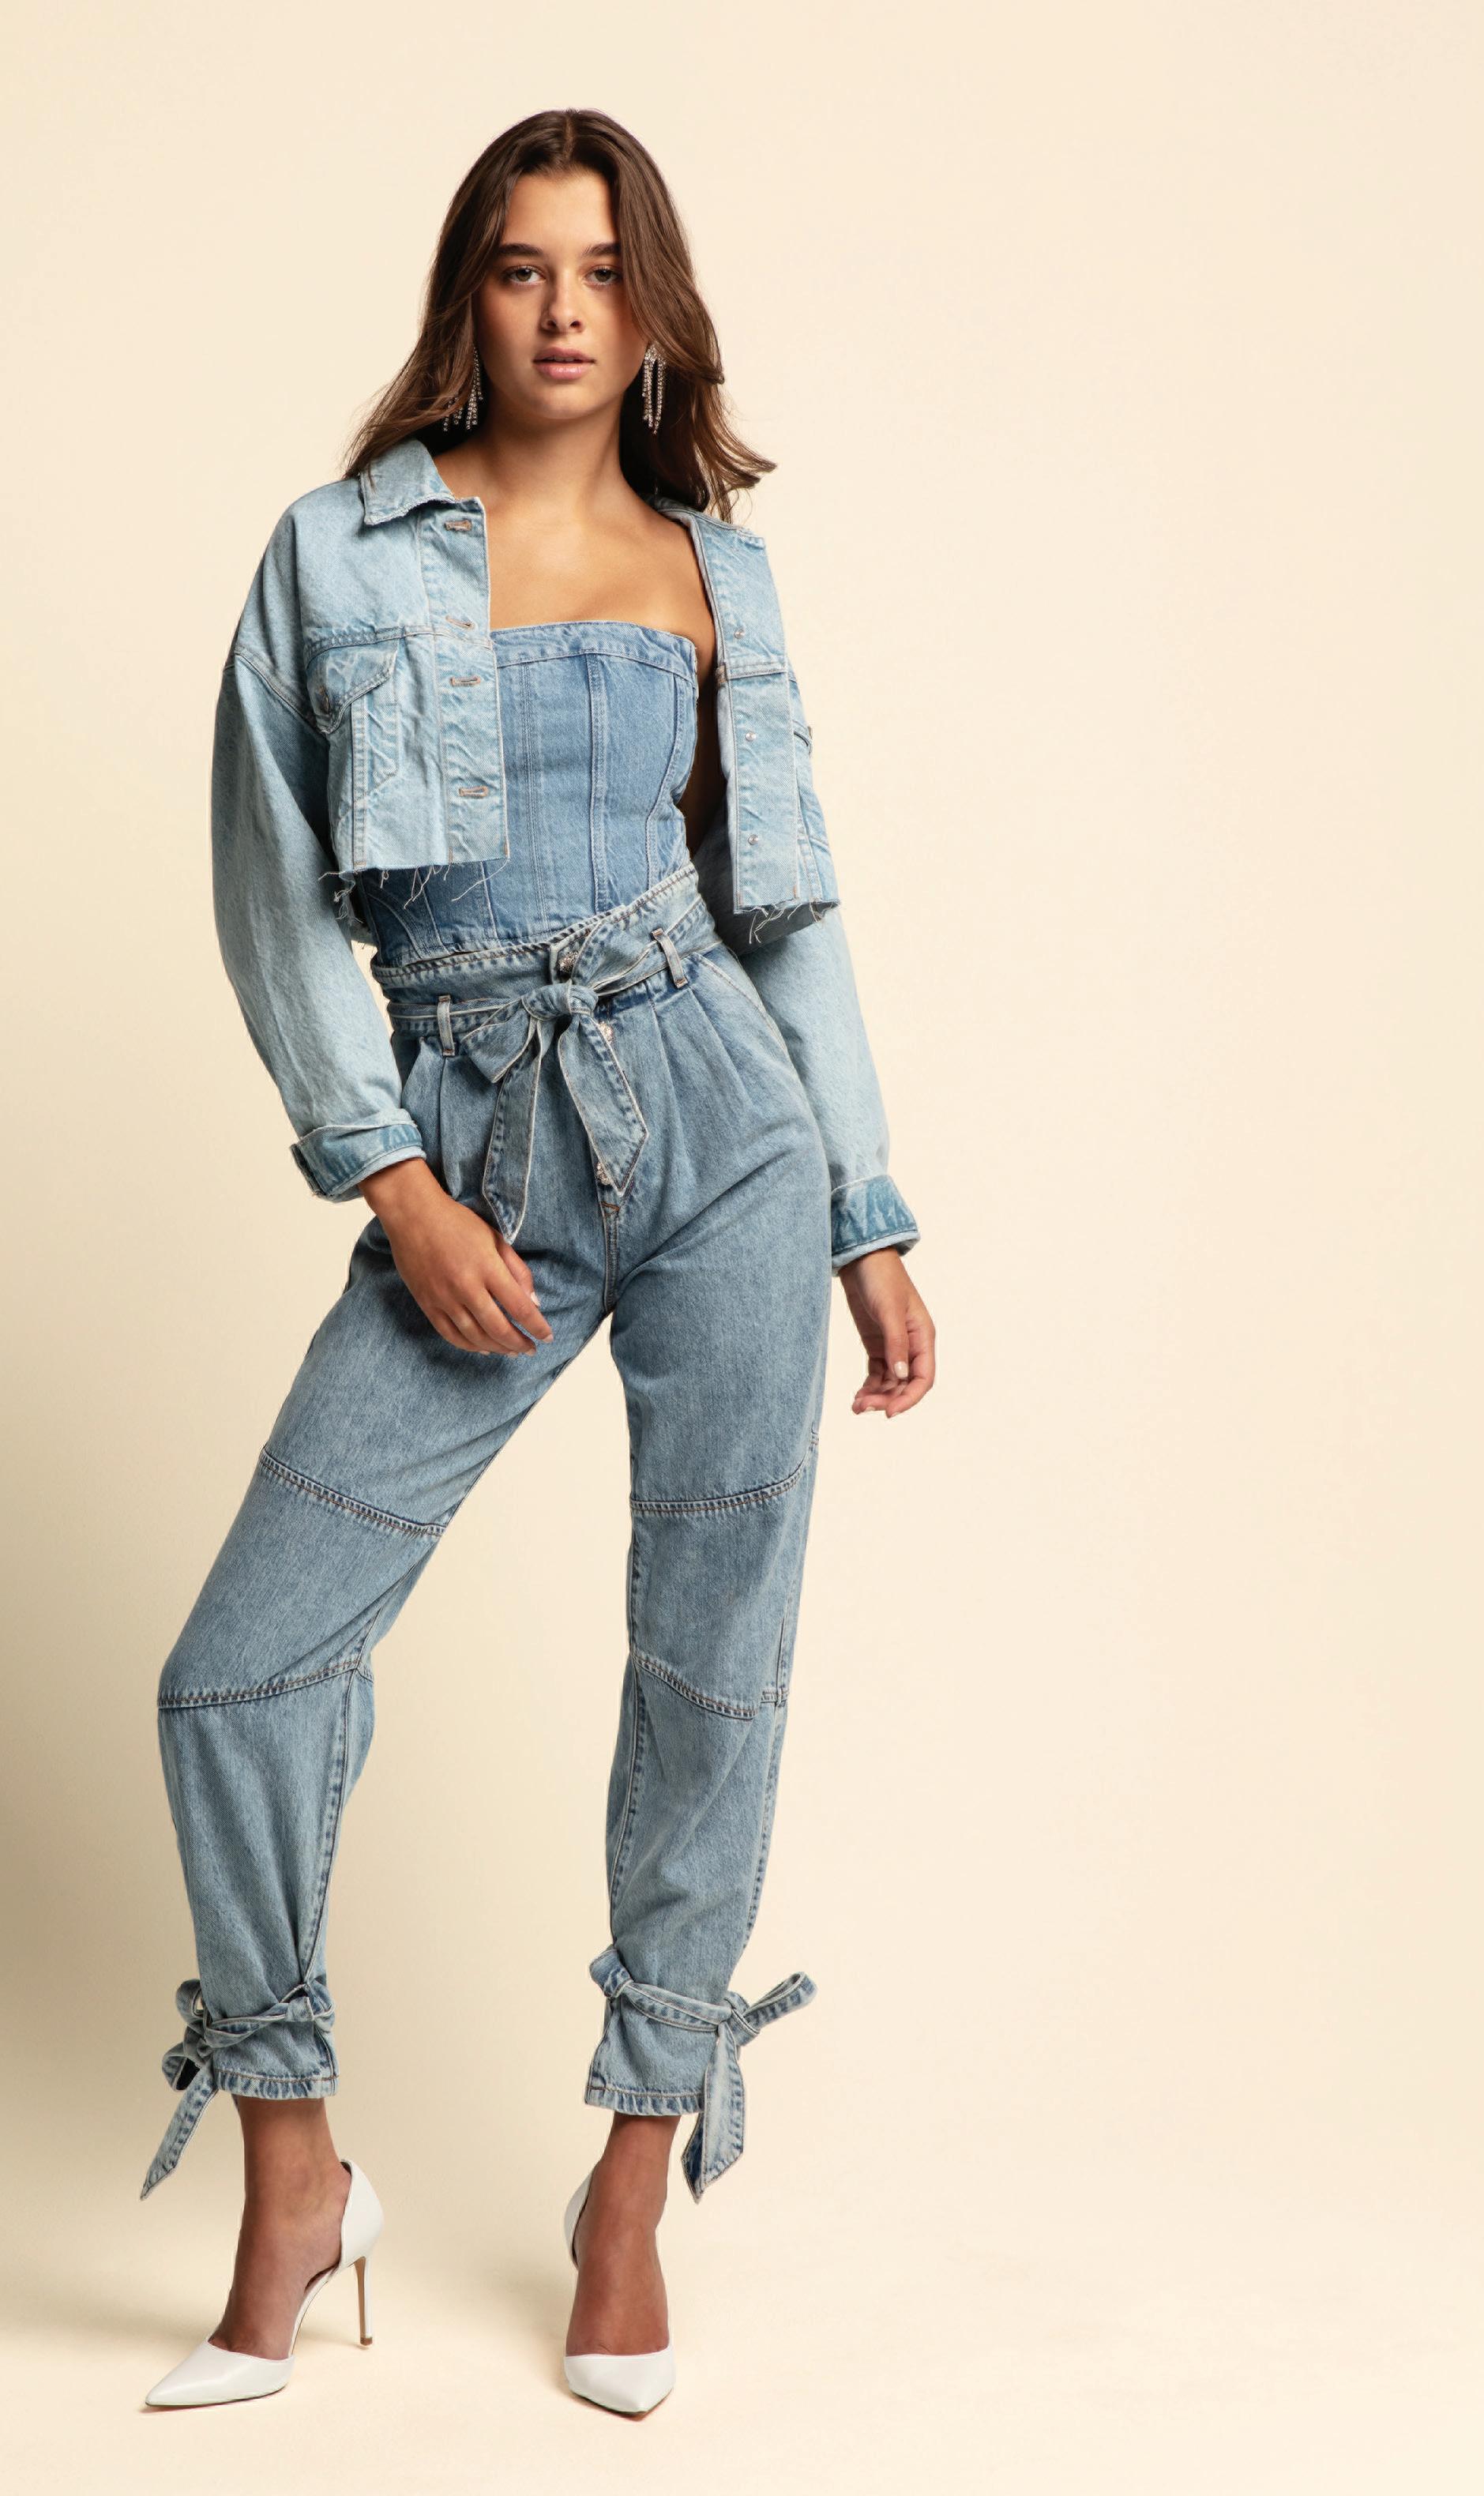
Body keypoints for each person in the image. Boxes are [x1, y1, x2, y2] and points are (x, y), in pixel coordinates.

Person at [139, 108, 935, 2418]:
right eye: (520, 266)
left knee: (712, 1664)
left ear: (653, 305)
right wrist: (396, 1187)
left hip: (724, 1129)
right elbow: (272, 891)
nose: (564, 310)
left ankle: (633, 2183)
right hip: (474, 1152)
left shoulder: (719, 574)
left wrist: (867, 1214)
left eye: (602, 269)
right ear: (466, 296)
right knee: (237, 1674)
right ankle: (295, 2170)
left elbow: (786, 909)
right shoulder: (336, 551)